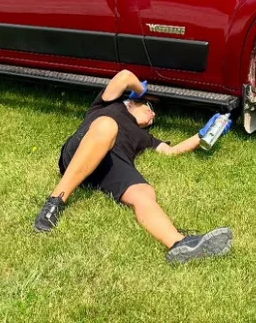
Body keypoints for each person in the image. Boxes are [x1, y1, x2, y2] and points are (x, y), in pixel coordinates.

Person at [33, 69, 234, 264]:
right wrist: (140, 89)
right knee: (107, 125)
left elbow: (171, 151)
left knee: (144, 191)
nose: (153, 114)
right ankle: (55, 202)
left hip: (112, 164)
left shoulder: (145, 137)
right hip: (83, 149)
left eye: (154, 115)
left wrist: (203, 134)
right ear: (132, 103)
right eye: (149, 107)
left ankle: (179, 243)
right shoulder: (108, 105)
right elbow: (124, 76)